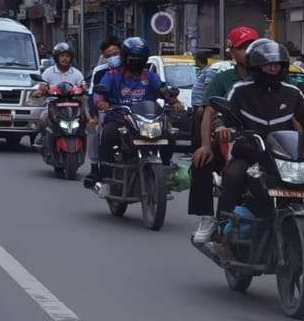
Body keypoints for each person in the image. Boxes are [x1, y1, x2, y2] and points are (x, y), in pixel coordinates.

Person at [207, 38, 304, 250]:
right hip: (250, 151)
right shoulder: (240, 89)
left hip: (284, 154)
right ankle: (221, 227)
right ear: (255, 67)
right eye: (268, 65)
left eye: (277, 65)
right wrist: (222, 129)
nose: (273, 69)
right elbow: (223, 116)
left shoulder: (292, 92)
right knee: (234, 175)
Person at [189, 26, 261, 243]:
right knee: (201, 163)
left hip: (267, 142)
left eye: (253, 46)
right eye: (243, 47)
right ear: (233, 52)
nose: (248, 52)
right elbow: (209, 112)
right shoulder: (223, 79)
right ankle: (208, 218)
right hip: (232, 140)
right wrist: (205, 145)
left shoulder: (271, 76)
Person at [91, 36, 180, 178]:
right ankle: (105, 174)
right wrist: (101, 102)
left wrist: (175, 102)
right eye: (133, 59)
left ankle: (165, 167)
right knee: (107, 135)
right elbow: (99, 94)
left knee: (170, 136)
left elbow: (163, 90)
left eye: (140, 59)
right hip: (120, 119)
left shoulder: (150, 76)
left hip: (148, 121)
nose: (137, 63)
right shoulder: (112, 76)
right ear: (125, 58)